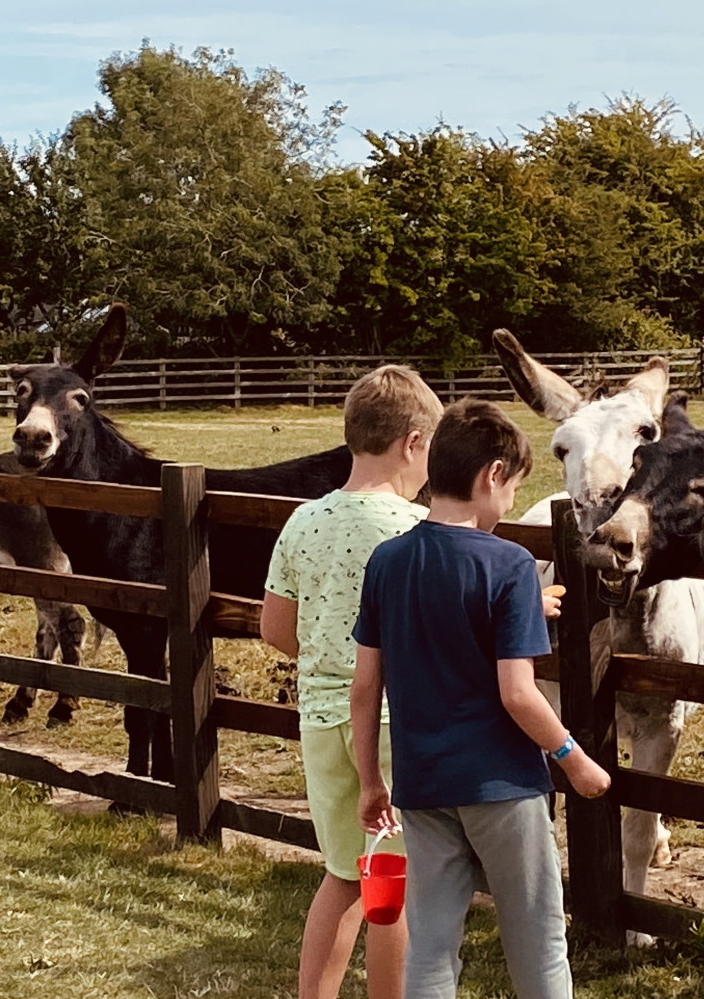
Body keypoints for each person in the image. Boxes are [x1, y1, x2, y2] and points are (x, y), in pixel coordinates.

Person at [350, 399, 610, 999]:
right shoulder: (511, 563)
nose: (511, 502)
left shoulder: (387, 561)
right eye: (514, 487)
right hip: (503, 786)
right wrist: (573, 756)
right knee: (538, 937)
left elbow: (366, 689)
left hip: (422, 784)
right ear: (492, 475)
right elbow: (518, 694)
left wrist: (371, 781)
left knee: (432, 942)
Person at [261, 365, 445, 999]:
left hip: (320, 717)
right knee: (394, 879)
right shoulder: (416, 531)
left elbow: (277, 629)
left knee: (342, 873)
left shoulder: (302, 521)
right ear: (415, 443)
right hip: (392, 722)